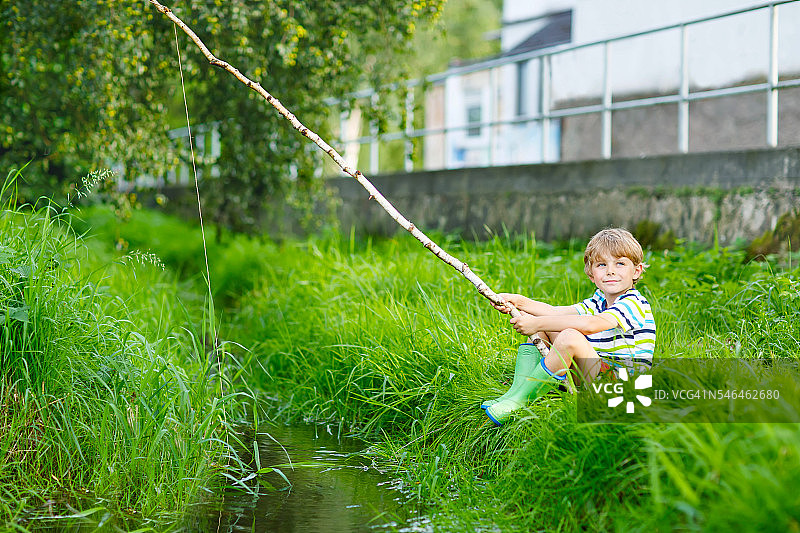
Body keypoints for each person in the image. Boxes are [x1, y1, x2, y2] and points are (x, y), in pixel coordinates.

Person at [482, 228, 656, 426]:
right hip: (597, 374)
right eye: (601, 264)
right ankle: (514, 393)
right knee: (543, 328)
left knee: (569, 337)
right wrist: (519, 303)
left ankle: (521, 401)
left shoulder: (633, 302)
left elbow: (592, 325)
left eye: (620, 263)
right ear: (591, 274)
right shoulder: (598, 301)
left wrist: (536, 322)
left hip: (620, 388)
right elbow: (556, 313)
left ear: (636, 271)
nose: (610, 271)